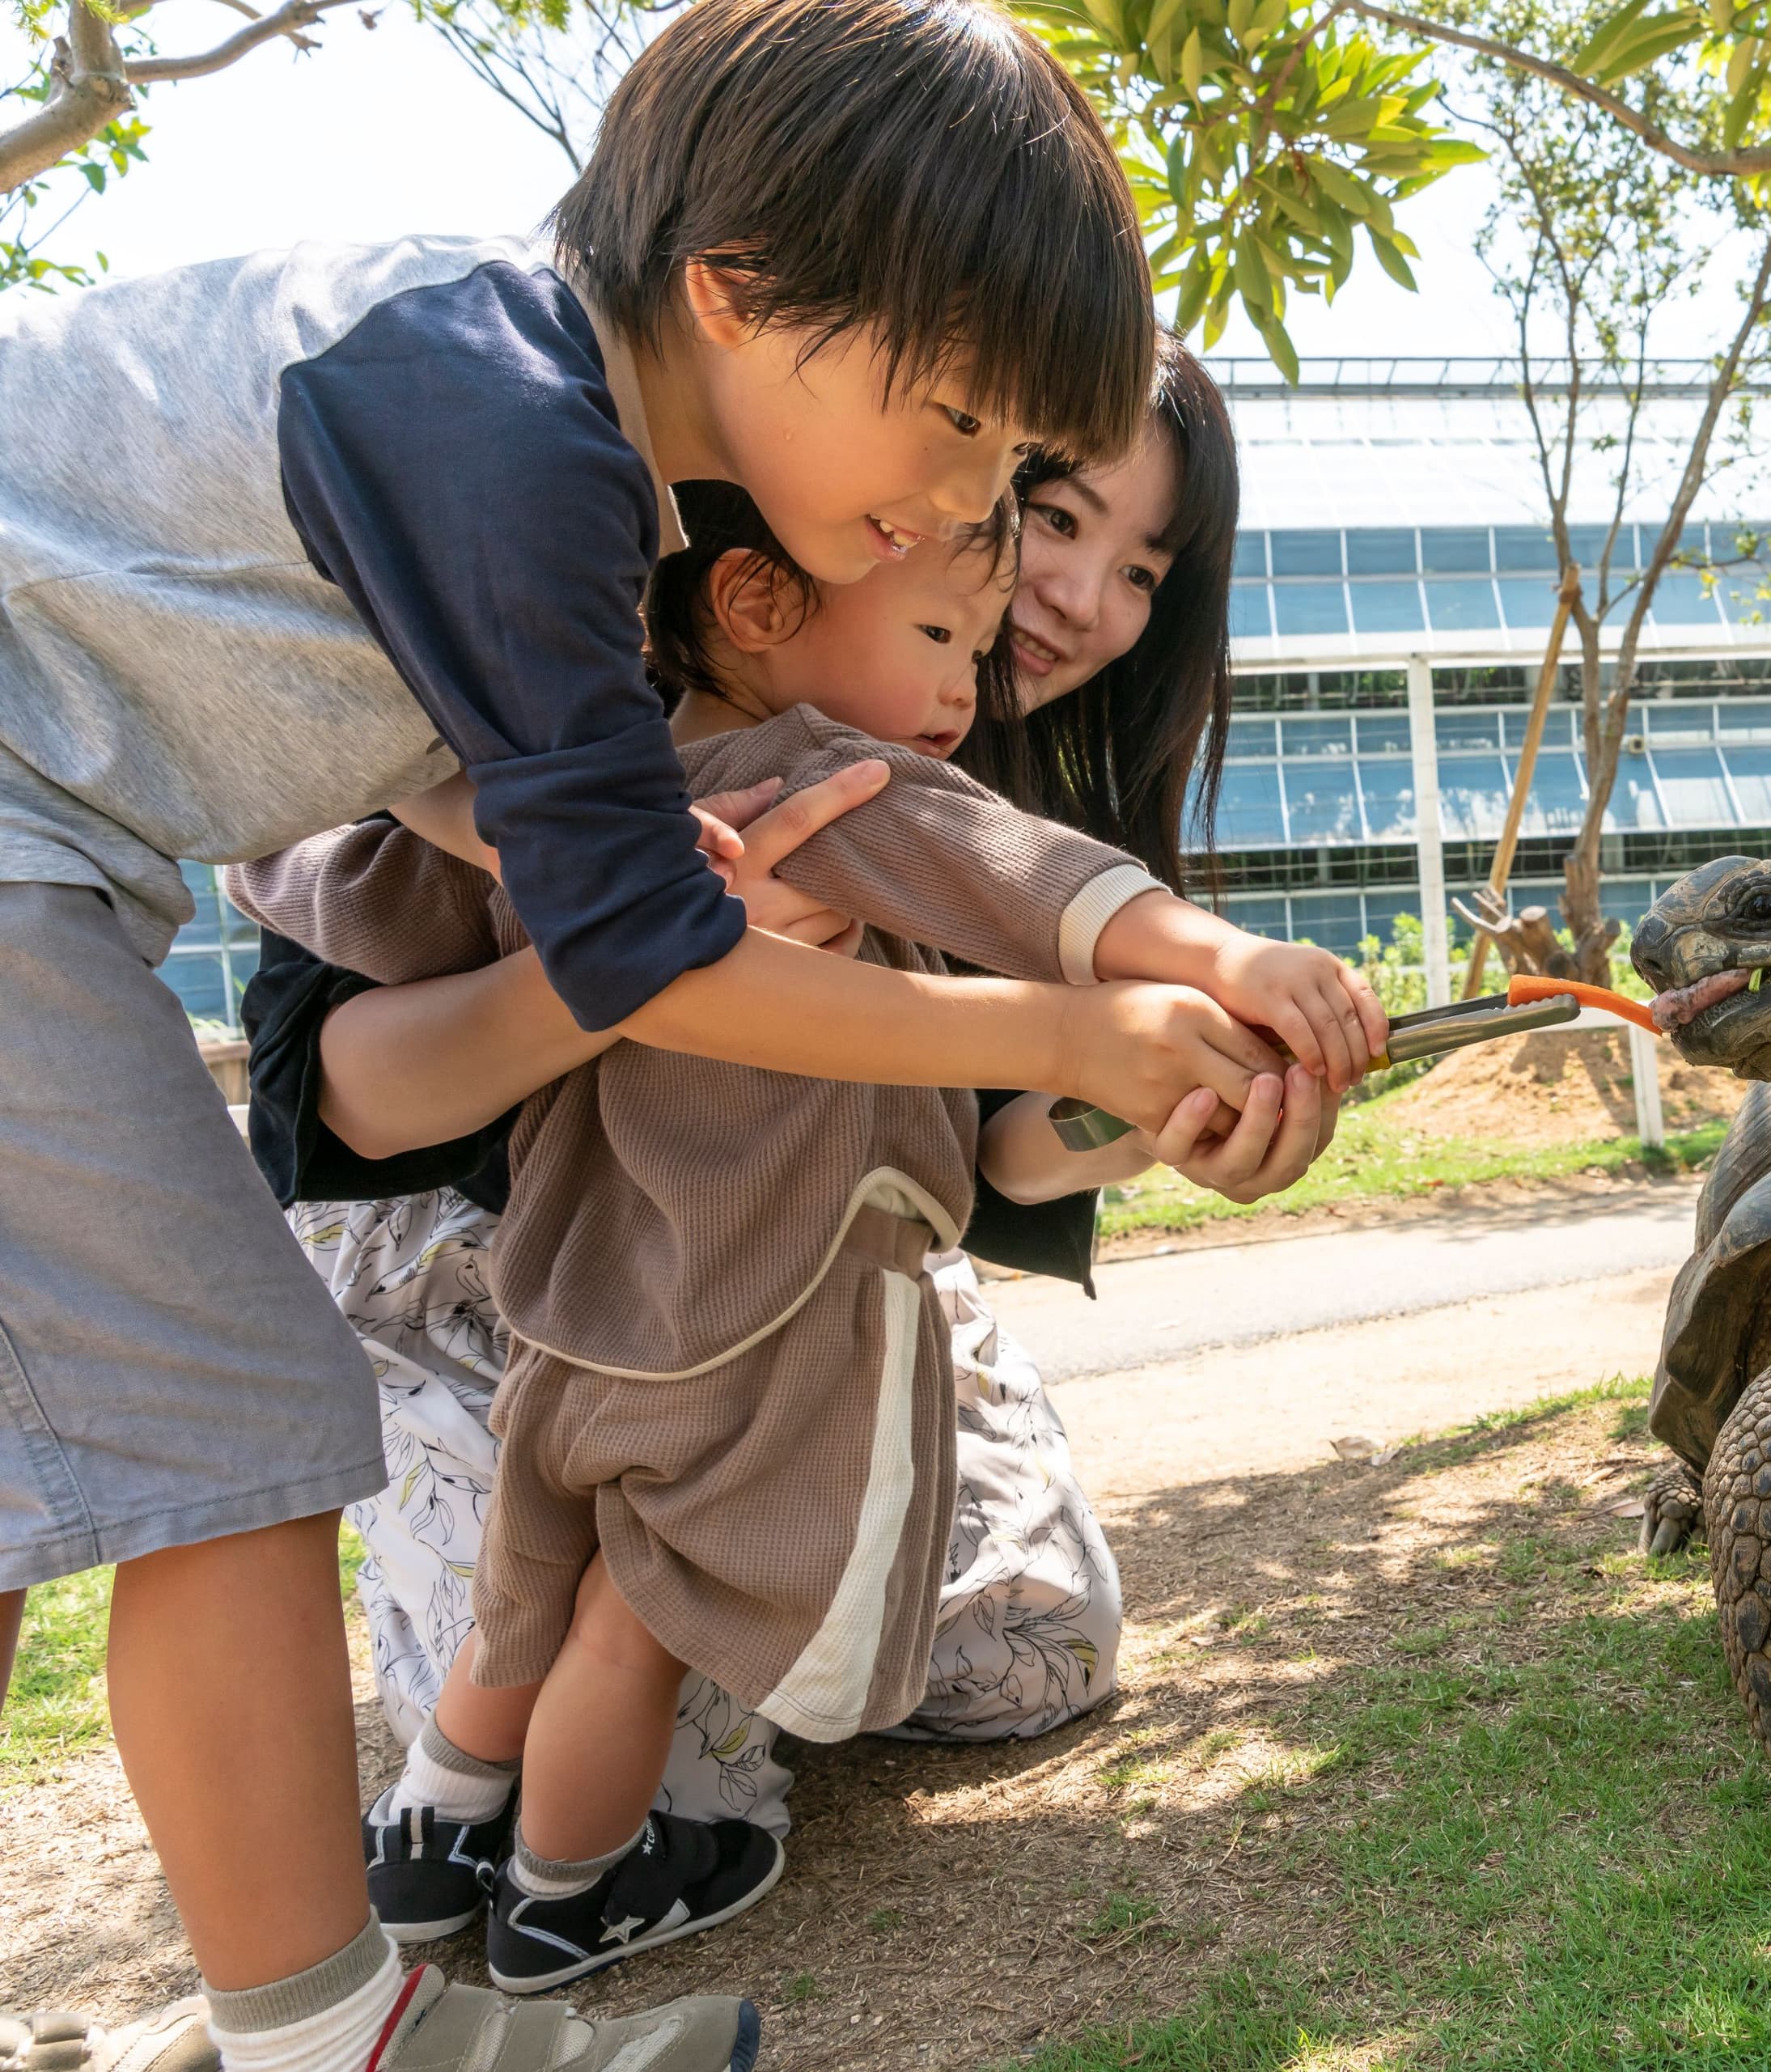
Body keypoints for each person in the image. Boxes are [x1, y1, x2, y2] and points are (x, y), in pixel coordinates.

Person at [0, 1, 1254, 2062]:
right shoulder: (513, 422)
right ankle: (342, 2040)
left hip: (59, 867)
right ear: (741, 298)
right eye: (952, 430)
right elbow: (645, 960)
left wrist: (643, 861)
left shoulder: (515, 422)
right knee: (234, 1438)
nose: (964, 505)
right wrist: (1082, 1020)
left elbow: (446, 781)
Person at [227, 362, 1359, 1996]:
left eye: (1139, 573)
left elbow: (993, 1140)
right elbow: (334, 1057)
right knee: (628, 1643)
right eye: (1043, 520)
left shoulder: (902, 723)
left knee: (1002, 1646)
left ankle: (460, 1846)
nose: (1073, 600)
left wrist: (1165, 1093)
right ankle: (565, 1890)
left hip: (726, 1274)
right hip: (490, 1258)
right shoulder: (660, 736)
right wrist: (643, 937)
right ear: (856, 508)